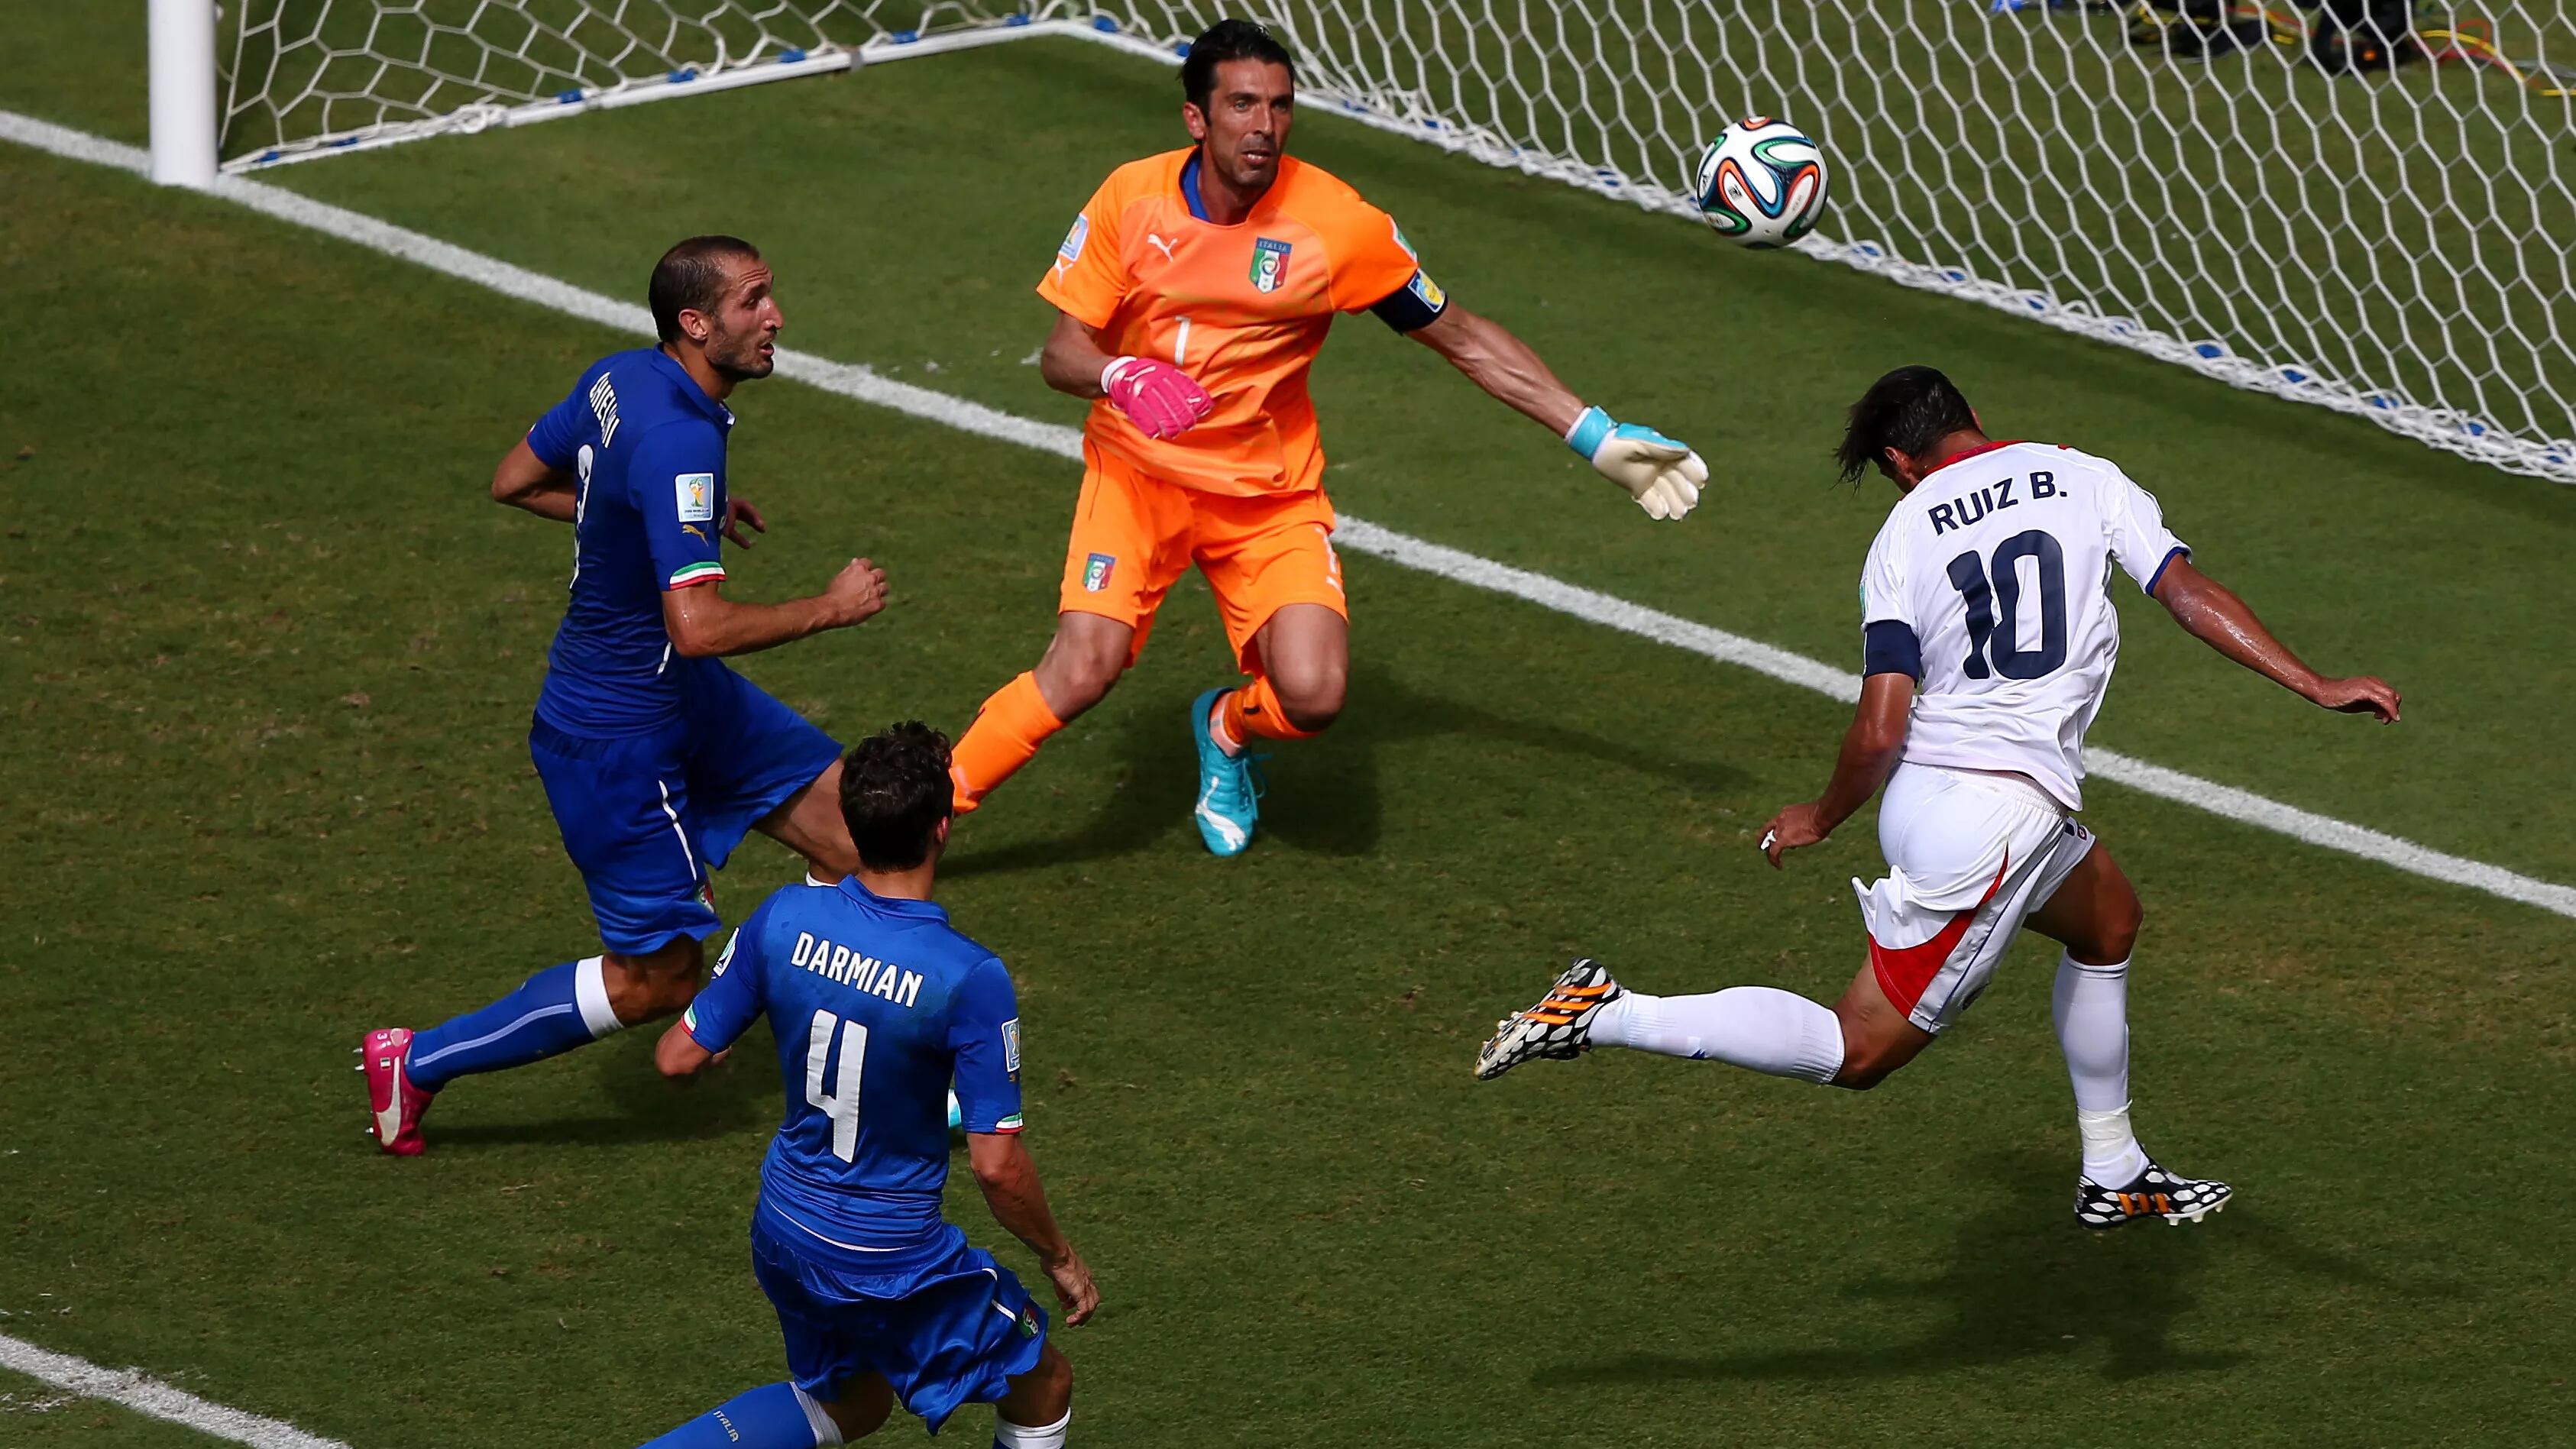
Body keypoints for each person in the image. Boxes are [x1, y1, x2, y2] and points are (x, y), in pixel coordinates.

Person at [1476, 364, 2402, 1228]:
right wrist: (2314, 683)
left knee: (2108, 919)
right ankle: (1606, 1011)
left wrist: (1823, 812)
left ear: (1897, 460)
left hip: (1941, 798)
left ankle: (2114, 1171)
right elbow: (2185, 590)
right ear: (1973, 421)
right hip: (1997, 821)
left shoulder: (1902, 535)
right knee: (1858, 1050)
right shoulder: (2083, 474)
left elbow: (1883, 726)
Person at [946, 17, 1708, 857]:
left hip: (1264, 498)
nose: (1263, 127)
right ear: (1196, 119)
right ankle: (907, 830)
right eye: (1241, 105)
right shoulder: (1132, 199)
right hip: (1138, 476)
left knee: (1312, 693)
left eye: (1279, 106)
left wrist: (1593, 435)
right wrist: (1119, 374)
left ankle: (1228, 727)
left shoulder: (1334, 226)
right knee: (1083, 668)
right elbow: (1062, 352)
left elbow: (1462, 337)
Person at [360, 236, 892, 1155]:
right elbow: (697, 625)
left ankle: (869, 1078)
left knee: (864, 840)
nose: (776, 318)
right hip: (616, 740)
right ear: (696, 324)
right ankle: (417, 1061)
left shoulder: (620, 378)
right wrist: (831, 609)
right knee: (658, 982)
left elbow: (514, 480)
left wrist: (664, 515)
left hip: (683, 699)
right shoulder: (682, 435)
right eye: (754, 302)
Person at [640, 722, 1097, 1449]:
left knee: (851, 1403)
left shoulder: (783, 916)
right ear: (942, 827)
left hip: (785, 1226)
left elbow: (676, 1056)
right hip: (887, 1258)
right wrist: (1058, 1255)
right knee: (1044, 1384)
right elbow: (996, 1165)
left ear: (852, 821)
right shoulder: (967, 976)